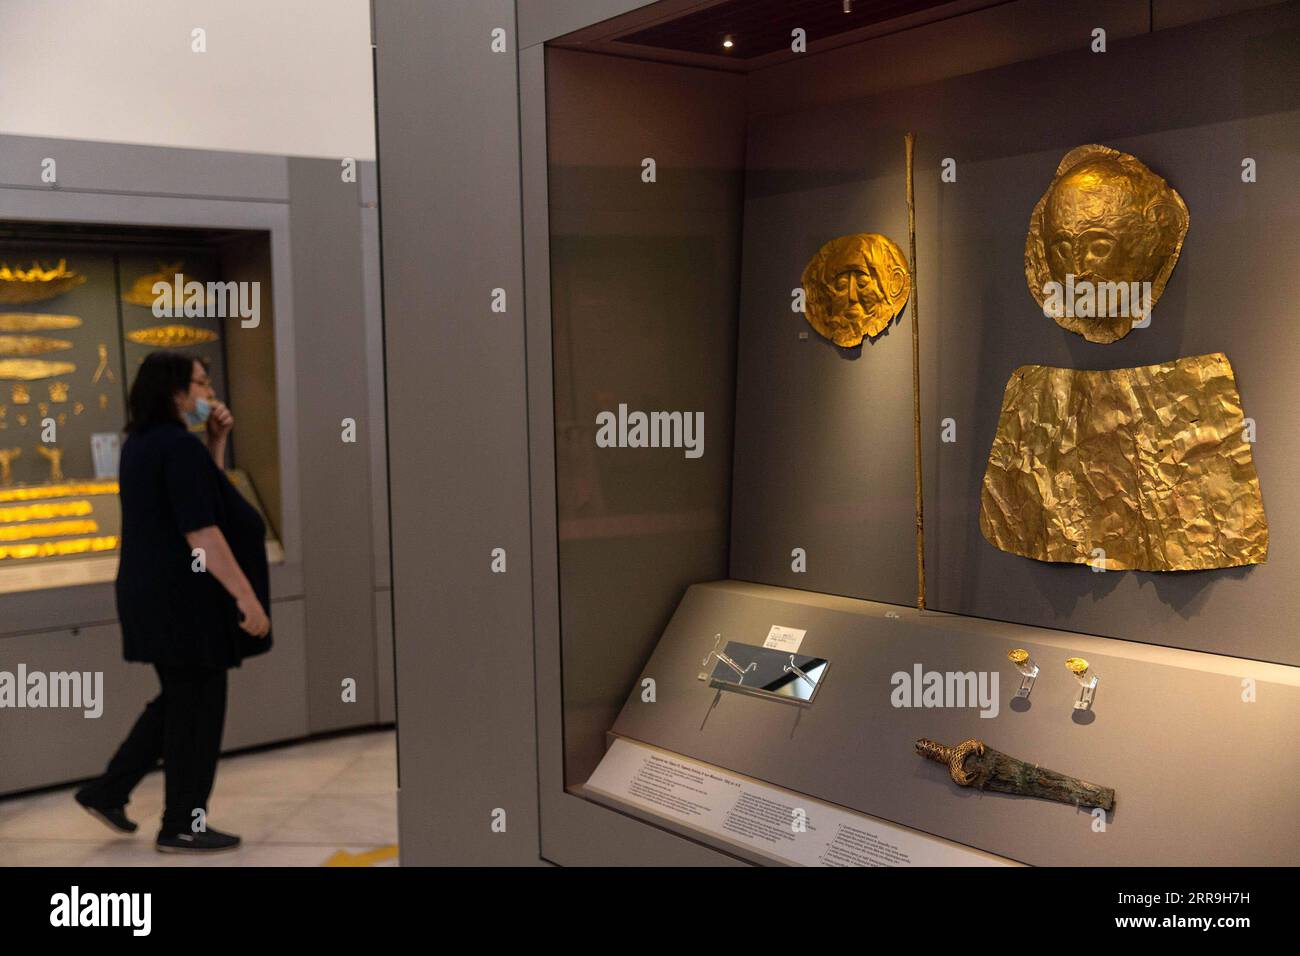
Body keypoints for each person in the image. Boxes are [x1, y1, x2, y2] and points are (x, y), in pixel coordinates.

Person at [75, 350, 272, 853]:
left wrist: (216, 443)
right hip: (183, 602)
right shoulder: (173, 447)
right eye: (201, 385)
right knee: (198, 713)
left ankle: (108, 789)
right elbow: (202, 531)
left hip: (155, 597)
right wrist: (247, 598)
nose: (210, 394)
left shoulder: (144, 444)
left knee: (181, 701)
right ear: (176, 393)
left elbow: (196, 498)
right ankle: (183, 823)